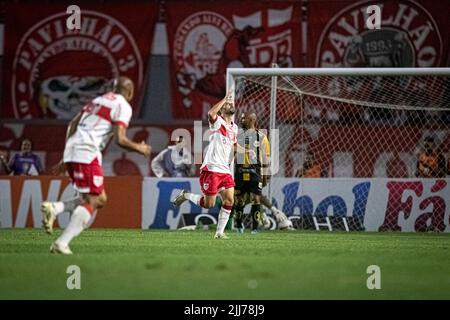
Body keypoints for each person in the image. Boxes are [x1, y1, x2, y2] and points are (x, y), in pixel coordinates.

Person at [40, 76, 151, 254]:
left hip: (74, 148)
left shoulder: (98, 100)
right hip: (87, 150)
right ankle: (61, 243)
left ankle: (56, 208)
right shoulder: (122, 106)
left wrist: (66, 154)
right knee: (95, 200)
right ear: (130, 93)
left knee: (100, 198)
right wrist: (140, 148)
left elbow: (73, 123)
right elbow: (120, 139)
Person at [172, 91, 238, 239]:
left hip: (225, 170)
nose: (230, 104)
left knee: (229, 200)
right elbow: (210, 113)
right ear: (222, 109)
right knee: (209, 204)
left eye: (231, 103)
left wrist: (241, 153)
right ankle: (186, 195)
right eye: (228, 104)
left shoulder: (235, 128)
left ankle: (219, 233)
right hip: (212, 168)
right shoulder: (218, 122)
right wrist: (224, 98)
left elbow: (233, 146)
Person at [232, 111, 270, 234]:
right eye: (242, 118)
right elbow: (232, 152)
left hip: (255, 173)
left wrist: (266, 175)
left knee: (255, 199)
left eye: (245, 119)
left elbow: (265, 158)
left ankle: (255, 228)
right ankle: (238, 226)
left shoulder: (262, 137)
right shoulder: (237, 136)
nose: (242, 120)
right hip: (239, 172)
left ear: (252, 120)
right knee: (239, 200)